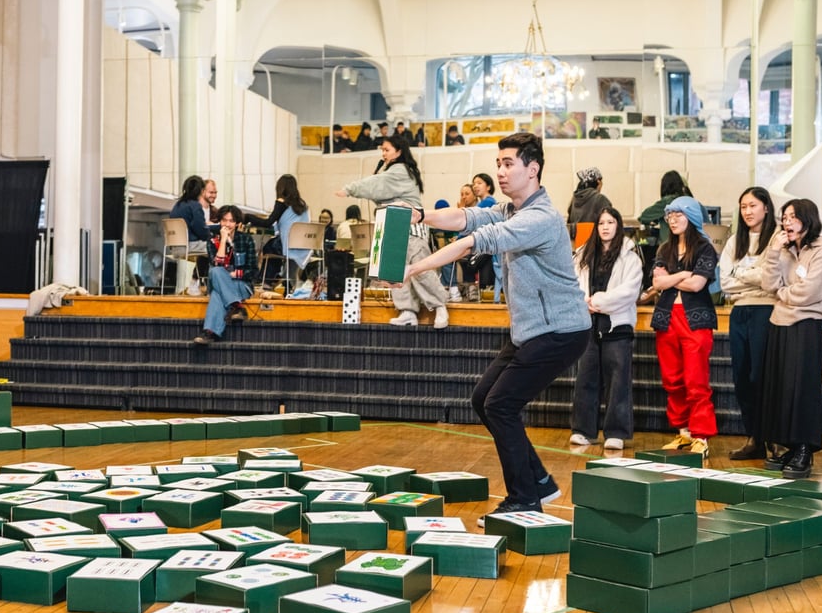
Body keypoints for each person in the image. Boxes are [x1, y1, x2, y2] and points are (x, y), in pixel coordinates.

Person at [402, 132, 590, 517]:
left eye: (509, 164)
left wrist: (414, 269)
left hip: (561, 330)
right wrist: (420, 215)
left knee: (501, 404)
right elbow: (464, 217)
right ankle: (537, 480)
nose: (501, 172)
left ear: (532, 169)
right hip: (530, 331)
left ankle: (525, 499)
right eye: (498, 164)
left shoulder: (540, 218)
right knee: (482, 400)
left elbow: (475, 240)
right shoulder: (510, 211)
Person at [335, 135, 449, 329]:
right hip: (392, 223)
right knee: (396, 271)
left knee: (420, 269)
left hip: (409, 225)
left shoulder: (401, 171)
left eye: (387, 150)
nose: (383, 153)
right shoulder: (395, 171)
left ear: (398, 151)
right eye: (382, 150)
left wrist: (350, 189)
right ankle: (407, 311)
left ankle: (440, 305)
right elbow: (378, 184)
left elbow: (376, 184)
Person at [759, 199, 822, 479]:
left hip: (807, 325)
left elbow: (808, 293)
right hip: (779, 323)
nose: (787, 222)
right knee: (782, 388)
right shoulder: (782, 249)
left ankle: (804, 449)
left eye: (793, 217)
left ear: (807, 219)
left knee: (803, 389)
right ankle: (788, 444)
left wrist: (782, 294)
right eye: (784, 217)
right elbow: (767, 283)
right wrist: (774, 253)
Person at [568, 207, 643, 450]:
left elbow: (629, 291)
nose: (606, 227)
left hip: (617, 326)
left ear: (618, 225)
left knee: (617, 381)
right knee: (585, 378)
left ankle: (616, 432)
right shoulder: (582, 254)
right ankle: (583, 430)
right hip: (588, 324)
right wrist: (584, 303)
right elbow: (571, 283)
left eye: (611, 222)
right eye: (601, 223)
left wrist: (597, 302)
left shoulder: (630, 256)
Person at [650, 196, 719, 457]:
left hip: (695, 320)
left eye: (679, 214)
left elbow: (697, 285)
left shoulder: (705, 248)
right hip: (666, 318)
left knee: (695, 379)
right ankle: (683, 432)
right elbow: (657, 283)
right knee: (672, 379)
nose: (673, 219)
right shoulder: (664, 249)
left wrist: (670, 278)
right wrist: (680, 275)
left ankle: (701, 434)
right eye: (670, 215)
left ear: (691, 216)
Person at [718, 187, 776, 461]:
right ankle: (753, 438)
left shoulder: (776, 238)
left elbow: (771, 279)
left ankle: (772, 437)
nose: (748, 211)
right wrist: (753, 277)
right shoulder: (734, 241)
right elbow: (725, 282)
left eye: (753, 205)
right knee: (742, 377)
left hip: (767, 311)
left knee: (761, 376)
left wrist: (741, 273)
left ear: (766, 207)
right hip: (739, 312)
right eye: (743, 207)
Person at [193, 205, 259, 345]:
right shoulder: (212, 241)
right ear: (220, 222)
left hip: (241, 285)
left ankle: (209, 332)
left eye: (231, 221)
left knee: (217, 294)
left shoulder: (246, 240)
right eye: (224, 220)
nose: (227, 224)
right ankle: (236, 306)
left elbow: (253, 271)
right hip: (221, 281)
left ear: (237, 224)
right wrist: (223, 240)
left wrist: (236, 274)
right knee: (216, 271)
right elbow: (217, 264)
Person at [244, 174, 310, 289]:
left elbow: (268, 223)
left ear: (280, 188)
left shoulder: (281, 202)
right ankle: (275, 277)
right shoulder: (302, 205)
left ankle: (267, 280)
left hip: (287, 244)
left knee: (269, 247)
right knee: (273, 246)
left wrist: (248, 217)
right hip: (303, 245)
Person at [638, 170, 693, 244]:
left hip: (670, 247)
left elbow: (644, 217)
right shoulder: (691, 201)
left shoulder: (667, 202)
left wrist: (656, 218)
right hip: (690, 245)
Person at [170, 175, 212, 255]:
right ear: (202, 191)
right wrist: (211, 234)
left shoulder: (178, 205)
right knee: (217, 247)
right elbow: (200, 230)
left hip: (174, 247)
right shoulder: (195, 206)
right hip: (189, 246)